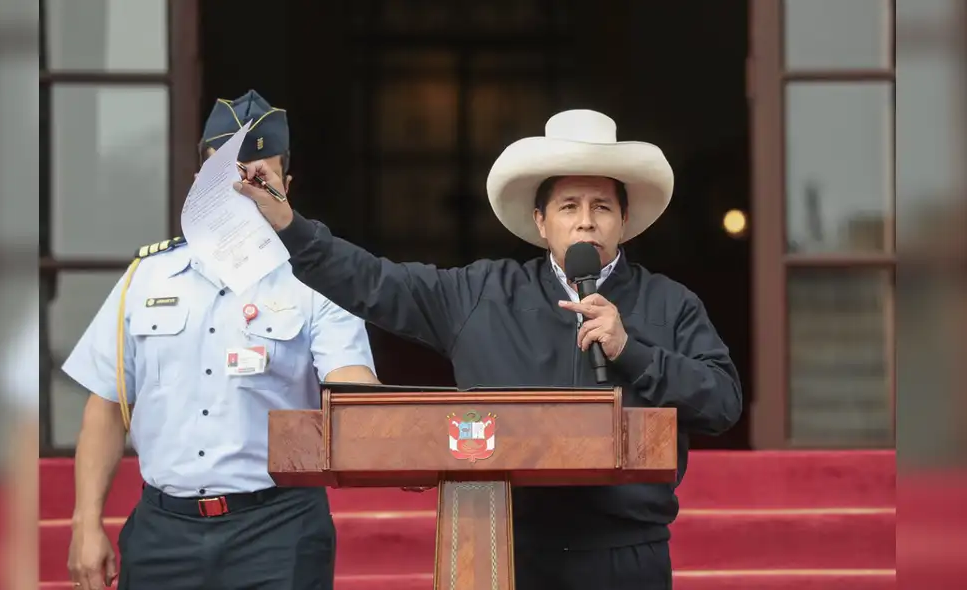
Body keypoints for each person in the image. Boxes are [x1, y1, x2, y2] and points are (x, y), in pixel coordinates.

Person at [235, 108, 743, 589]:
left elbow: (722, 402)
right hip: (505, 543)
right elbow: (374, 282)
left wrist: (631, 349)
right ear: (541, 221)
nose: (586, 221)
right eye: (569, 207)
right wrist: (287, 223)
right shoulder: (481, 294)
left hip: (626, 553)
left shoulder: (670, 304)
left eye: (602, 207)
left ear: (624, 221)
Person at [64, 89, 379, 590]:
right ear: (198, 183)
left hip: (278, 529)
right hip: (164, 530)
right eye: (223, 175)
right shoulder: (146, 278)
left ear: (286, 186)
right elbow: (105, 405)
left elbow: (350, 386)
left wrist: (362, 408)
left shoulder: (319, 280)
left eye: (260, 177)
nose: (242, 189)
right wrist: (85, 524)